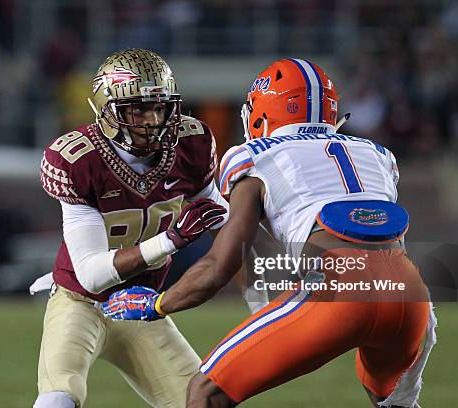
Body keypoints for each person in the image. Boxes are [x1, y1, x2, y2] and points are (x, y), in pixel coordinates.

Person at [102, 58, 437, 408]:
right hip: (411, 294)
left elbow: (220, 266)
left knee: (205, 392)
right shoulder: (378, 155)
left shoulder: (255, 156)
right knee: (388, 399)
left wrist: (157, 303)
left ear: (262, 113)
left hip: (339, 294)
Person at [30, 48, 228, 408]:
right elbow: (91, 274)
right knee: (58, 399)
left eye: (159, 107)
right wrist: (170, 239)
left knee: (206, 402)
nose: (152, 120)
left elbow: (224, 221)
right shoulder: (78, 160)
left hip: (144, 307)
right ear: (108, 109)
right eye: (138, 109)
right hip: (80, 302)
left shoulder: (191, 145)